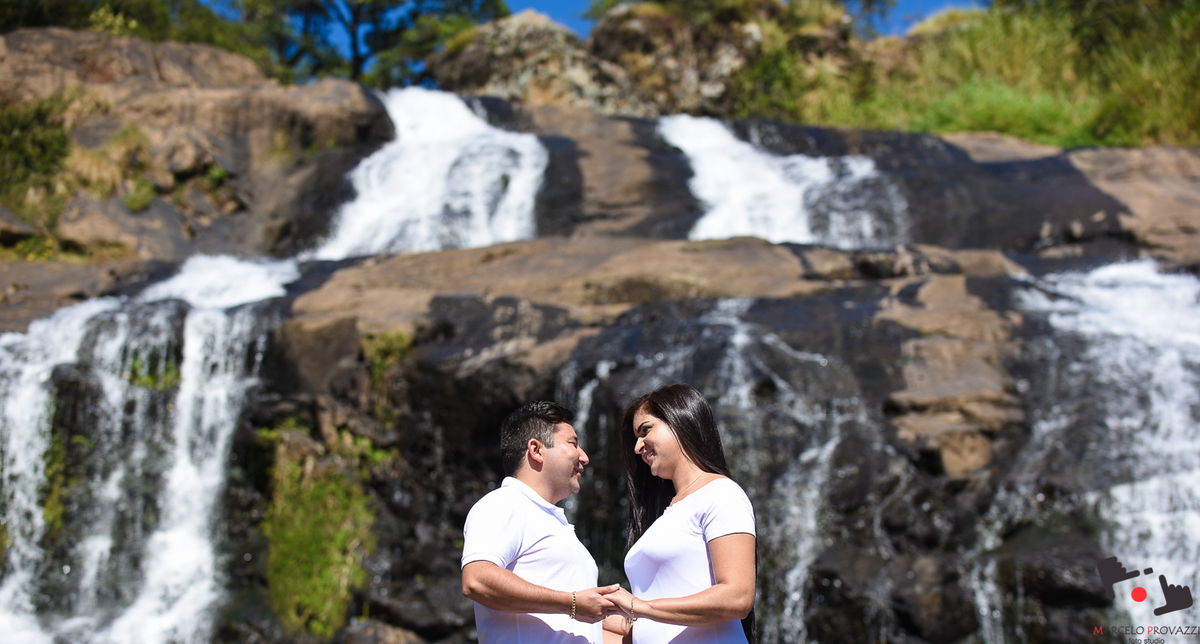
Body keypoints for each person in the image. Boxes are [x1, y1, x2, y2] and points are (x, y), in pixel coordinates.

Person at [602, 384, 756, 644]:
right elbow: (647, 623)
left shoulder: (721, 493)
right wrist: (571, 608)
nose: (638, 447)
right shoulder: (668, 514)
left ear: (679, 420)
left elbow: (737, 597)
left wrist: (639, 606)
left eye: (645, 430)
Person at [462, 400, 622, 643]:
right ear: (536, 450)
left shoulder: (554, 524)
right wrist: (572, 603)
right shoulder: (504, 503)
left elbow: (574, 626)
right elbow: (477, 580)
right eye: (573, 444)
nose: (585, 457)